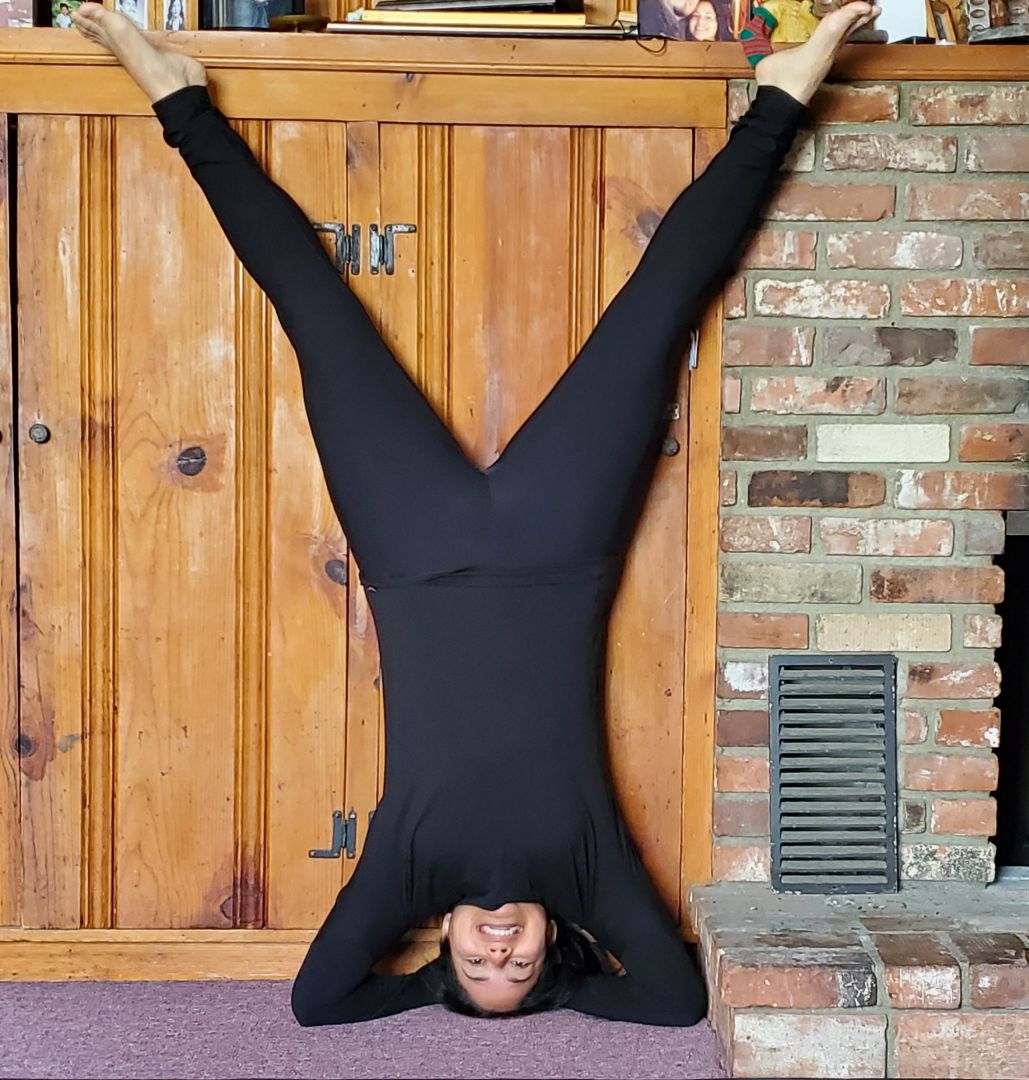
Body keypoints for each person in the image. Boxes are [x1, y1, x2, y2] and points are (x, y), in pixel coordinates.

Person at [71, 0, 880, 1025]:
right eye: (520, 969)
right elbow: (674, 1002)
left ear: (443, 940)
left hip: (412, 550)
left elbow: (318, 1001)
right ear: (556, 948)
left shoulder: (407, 876)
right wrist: (568, 994)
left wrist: (429, 996)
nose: (499, 950)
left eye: (476, 967)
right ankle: (779, 103)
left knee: (315, 311)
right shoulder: (588, 877)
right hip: (559, 547)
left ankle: (177, 97)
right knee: (654, 315)